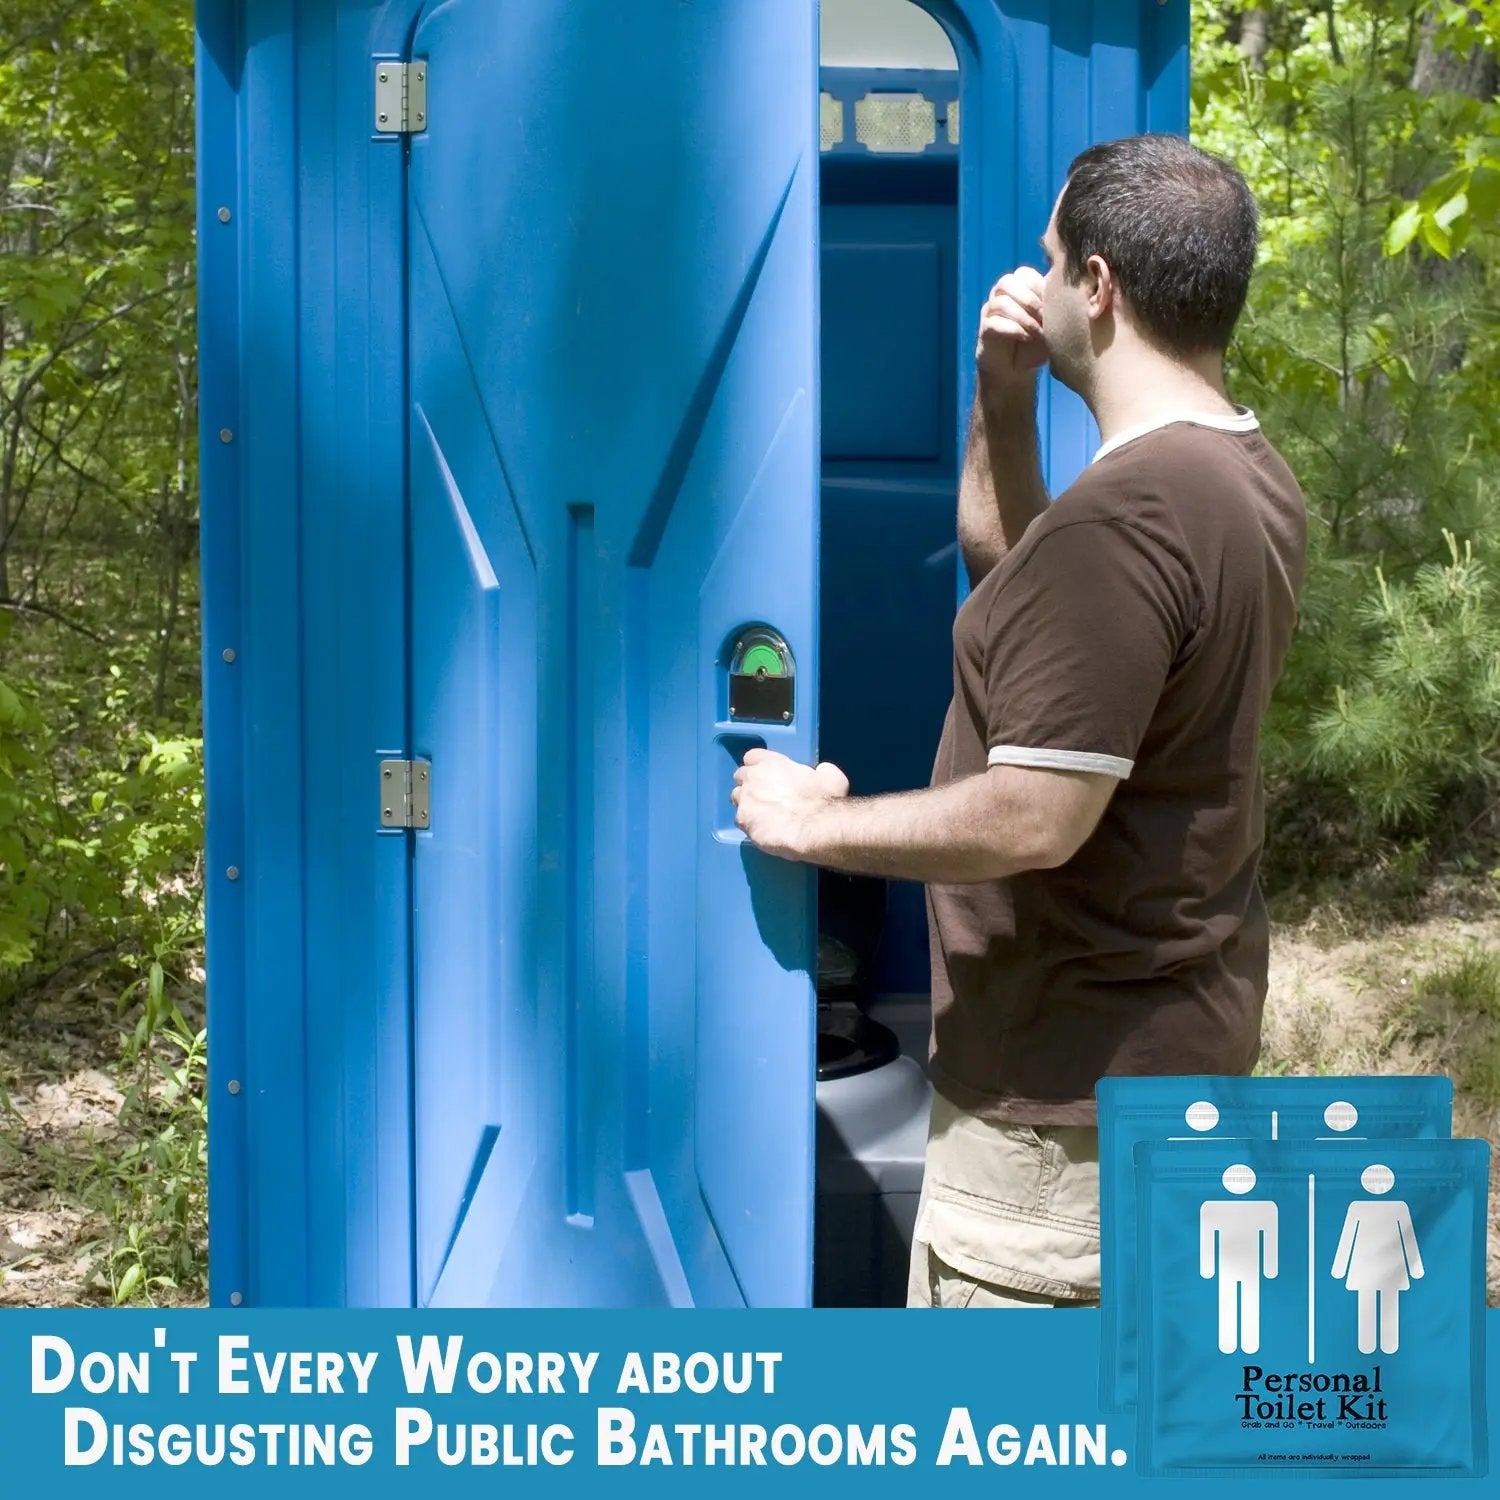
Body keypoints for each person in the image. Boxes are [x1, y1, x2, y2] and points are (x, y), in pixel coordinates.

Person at [731, 133, 1307, 1308]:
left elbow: (1037, 818)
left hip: (1058, 1130)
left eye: (1051, 261)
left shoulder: (1129, 518)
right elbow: (1025, 581)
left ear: (1097, 288)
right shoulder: (1241, 477)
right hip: (1161, 1068)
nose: (1035, 281)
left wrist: (814, 826)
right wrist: (1003, 391)